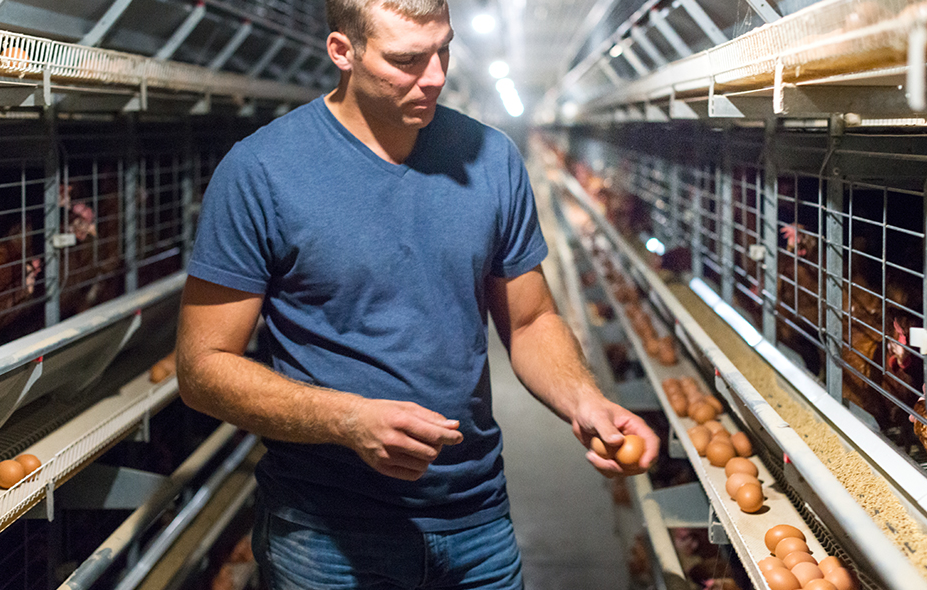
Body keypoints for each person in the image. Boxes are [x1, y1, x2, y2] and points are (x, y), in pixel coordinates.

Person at [175, 0, 660, 588]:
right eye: (406, 59)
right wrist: (348, 419)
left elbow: (530, 322)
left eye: (443, 50)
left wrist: (584, 400)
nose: (434, 76)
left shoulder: (492, 160)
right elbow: (203, 368)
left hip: (477, 520)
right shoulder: (261, 171)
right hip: (328, 534)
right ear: (342, 52)